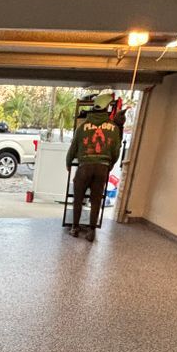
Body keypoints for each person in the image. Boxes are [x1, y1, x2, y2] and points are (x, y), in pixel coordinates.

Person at [66, 92, 122, 241]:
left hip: (84, 166)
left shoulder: (83, 127)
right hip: (102, 167)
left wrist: (68, 162)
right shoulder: (114, 128)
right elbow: (116, 151)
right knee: (96, 200)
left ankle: (75, 228)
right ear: (106, 109)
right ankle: (91, 231)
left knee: (78, 198)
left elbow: (73, 148)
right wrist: (109, 165)